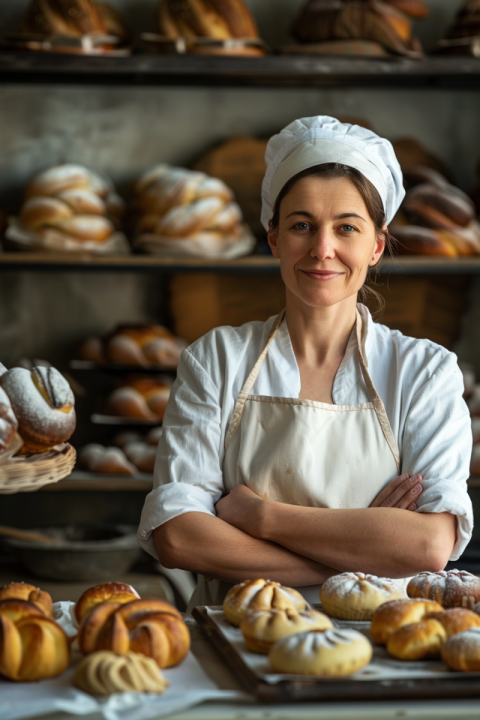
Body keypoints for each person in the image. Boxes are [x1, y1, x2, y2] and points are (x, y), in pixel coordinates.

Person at [137, 116, 473, 611]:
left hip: (382, 639)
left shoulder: (424, 372)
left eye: (347, 228)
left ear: (376, 245)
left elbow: (427, 546)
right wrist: (363, 554)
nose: (323, 249)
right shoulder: (217, 359)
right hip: (238, 637)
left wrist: (260, 517)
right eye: (301, 225)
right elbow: (179, 538)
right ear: (273, 238)